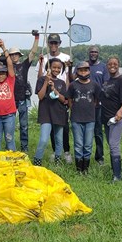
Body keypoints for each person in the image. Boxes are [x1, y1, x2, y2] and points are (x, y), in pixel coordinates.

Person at [37, 33, 72, 163]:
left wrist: (57, 91)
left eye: (55, 43)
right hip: (46, 110)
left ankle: (61, 157)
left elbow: (65, 97)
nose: (56, 70)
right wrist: (46, 80)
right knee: (45, 138)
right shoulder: (43, 74)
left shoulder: (62, 81)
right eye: (51, 43)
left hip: (59, 107)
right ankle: (38, 160)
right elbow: (40, 93)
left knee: (60, 136)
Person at [32, 58, 68, 166]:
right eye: (54, 67)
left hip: (59, 114)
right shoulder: (42, 79)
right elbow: (40, 96)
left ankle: (58, 162)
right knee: (43, 140)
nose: (56, 70)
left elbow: (63, 100)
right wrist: (46, 83)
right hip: (46, 114)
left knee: (59, 140)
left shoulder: (61, 83)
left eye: (59, 68)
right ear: (49, 67)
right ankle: (37, 162)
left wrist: (54, 89)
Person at [100, 56, 122, 182]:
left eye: (115, 64)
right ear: (107, 66)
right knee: (110, 144)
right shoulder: (107, 80)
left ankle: (117, 176)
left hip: (118, 117)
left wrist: (120, 112)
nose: (112, 66)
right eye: (110, 64)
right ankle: (114, 172)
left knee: (114, 144)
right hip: (106, 118)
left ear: (119, 65)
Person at [68, 61, 101, 174]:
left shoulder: (95, 85)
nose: (83, 72)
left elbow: (97, 100)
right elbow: (70, 100)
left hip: (90, 119)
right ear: (77, 71)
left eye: (85, 70)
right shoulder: (73, 85)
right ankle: (78, 169)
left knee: (88, 145)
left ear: (89, 71)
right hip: (76, 119)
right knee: (78, 144)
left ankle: (85, 169)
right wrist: (74, 110)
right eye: (81, 70)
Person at [9, 30, 40, 152]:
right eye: (12, 54)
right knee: (9, 126)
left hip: (22, 100)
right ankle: (10, 148)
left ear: (19, 55)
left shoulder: (24, 66)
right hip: (10, 100)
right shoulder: (6, 67)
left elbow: (33, 52)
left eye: (16, 54)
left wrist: (36, 37)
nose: (14, 56)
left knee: (24, 126)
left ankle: (24, 148)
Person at [86, 46, 109, 166]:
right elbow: (74, 79)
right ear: (88, 53)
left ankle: (99, 157)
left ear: (98, 54)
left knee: (98, 132)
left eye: (95, 52)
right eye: (91, 52)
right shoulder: (84, 65)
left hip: (98, 105)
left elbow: (106, 83)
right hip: (84, 104)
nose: (93, 54)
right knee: (86, 131)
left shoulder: (103, 67)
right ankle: (85, 157)